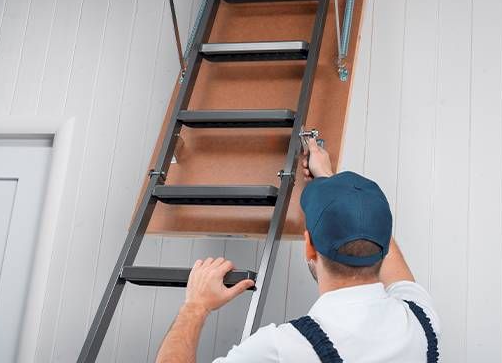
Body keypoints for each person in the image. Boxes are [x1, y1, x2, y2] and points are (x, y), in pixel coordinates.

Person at [156, 138, 441, 362]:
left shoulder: (286, 350)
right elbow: (390, 256)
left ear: (310, 247)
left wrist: (195, 307)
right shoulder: (419, 321)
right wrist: (331, 184)